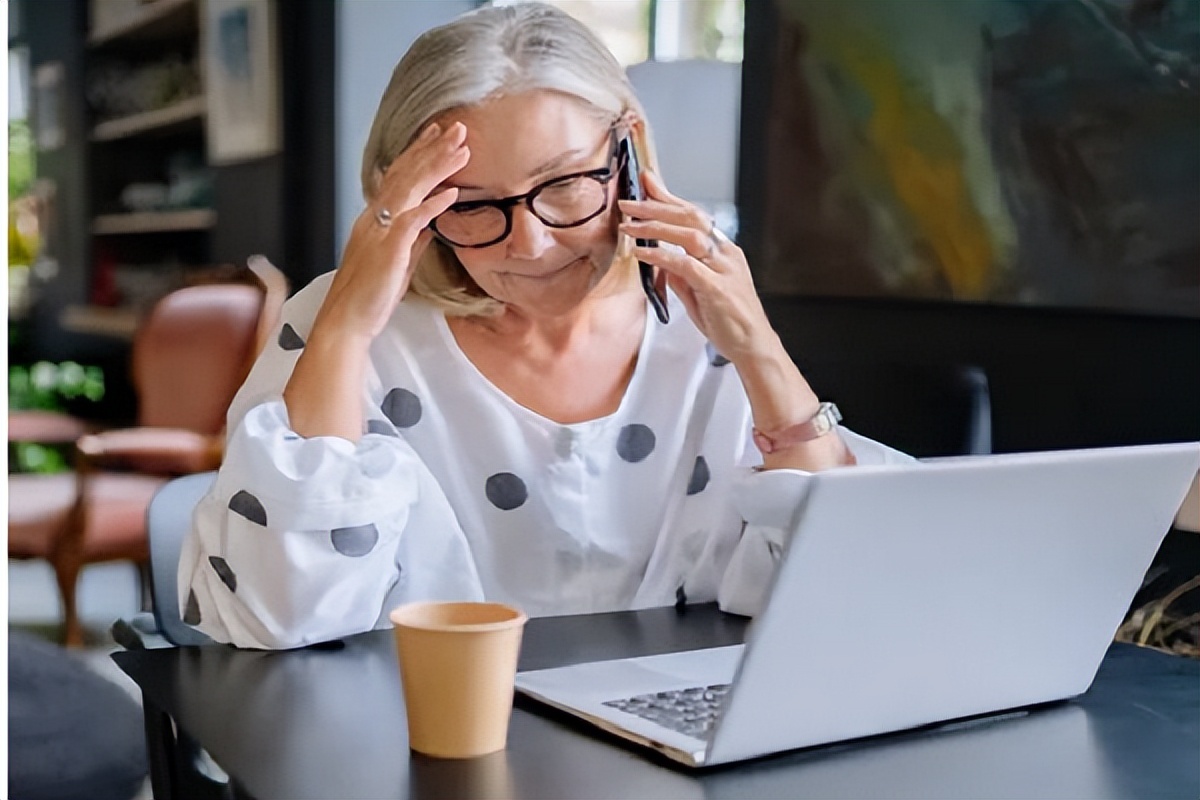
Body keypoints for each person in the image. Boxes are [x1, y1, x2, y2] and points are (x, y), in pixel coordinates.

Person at [180, 2, 911, 649]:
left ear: (625, 152)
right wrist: (343, 330)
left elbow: (842, 591)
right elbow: (278, 617)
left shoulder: (703, 321)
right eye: (469, 205)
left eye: (564, 185)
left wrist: (757, 346)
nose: (528, 244)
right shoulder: (343, 328)